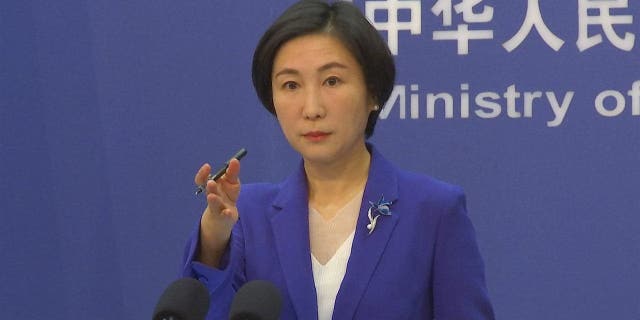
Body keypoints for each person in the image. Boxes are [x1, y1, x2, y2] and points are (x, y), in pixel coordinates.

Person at [181, 1, 495, 319]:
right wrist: (214, 238)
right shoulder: (247, 214)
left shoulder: (433, 210)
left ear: (373, 92)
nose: (312, 108)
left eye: (332, 81)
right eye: (291, 85)